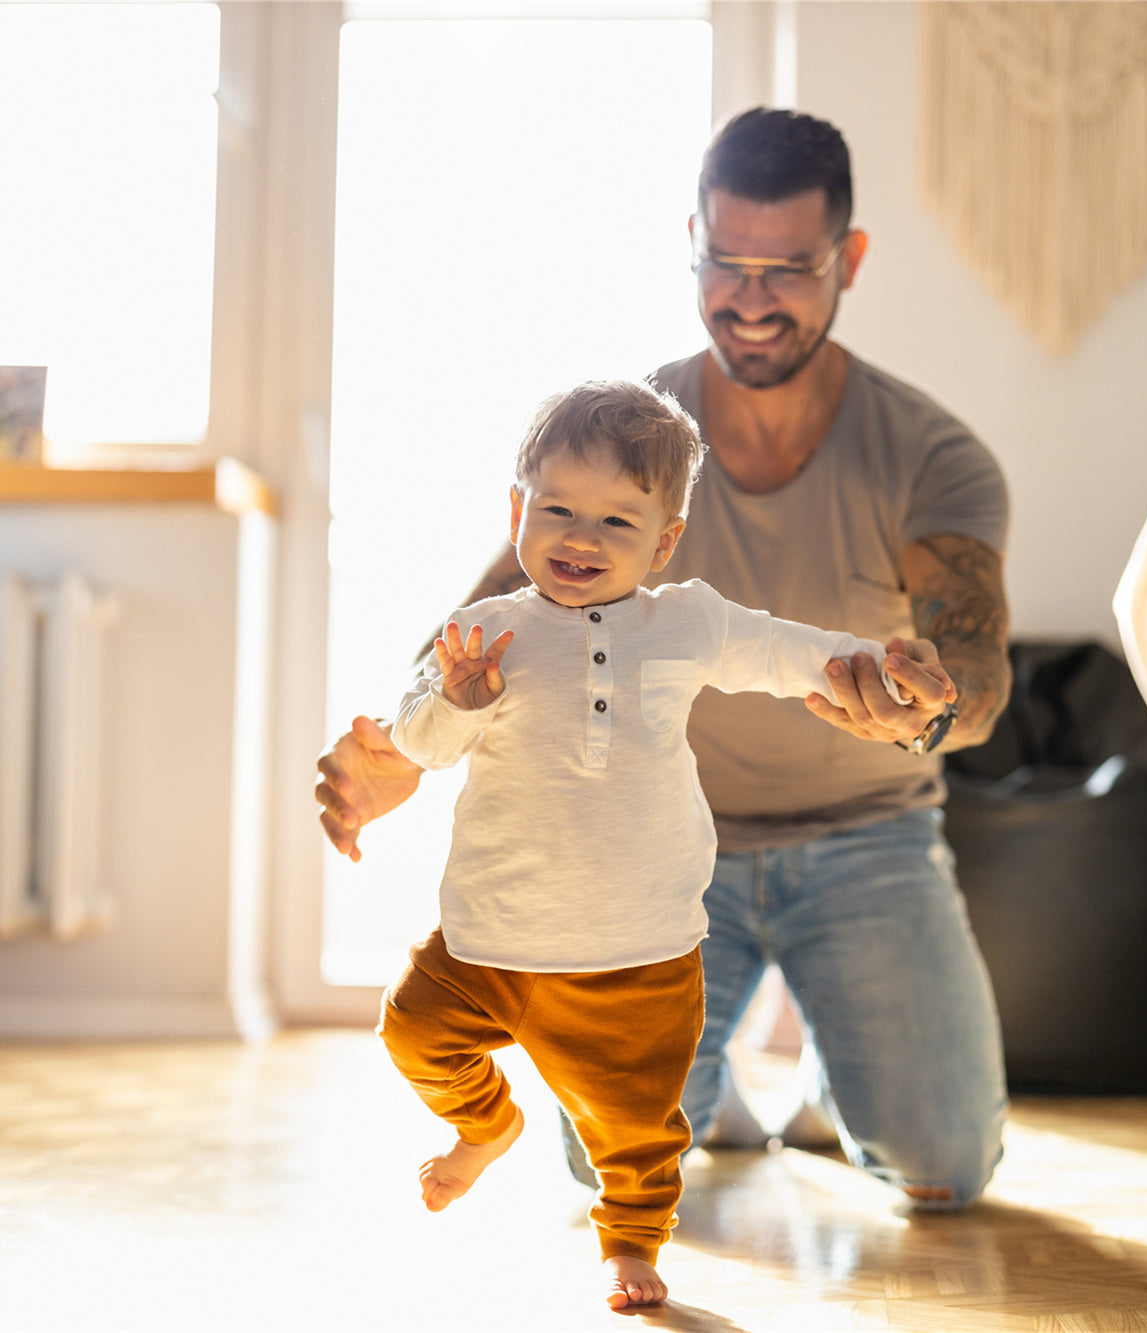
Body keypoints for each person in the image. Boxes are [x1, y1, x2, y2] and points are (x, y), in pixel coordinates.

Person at [318, 106, 1012, 1214]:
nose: (748, 298)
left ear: (850, 259)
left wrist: (925, 709)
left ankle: (842, 1062)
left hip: (868, 840)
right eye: (723, 264)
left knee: (942, 1166)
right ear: (690, 241)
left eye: (786, 268)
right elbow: (481, 622)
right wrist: (404, 742)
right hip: (643, 865)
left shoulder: (930, 455)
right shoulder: (626, 440)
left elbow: (974, 668)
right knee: (604, 1165)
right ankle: (718, 1092)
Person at [378, 377, 948, 1309]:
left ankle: (632, 1245)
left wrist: (877, 663)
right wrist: (455, 703)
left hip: (638, 947)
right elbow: (417, 745)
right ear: (516, 510)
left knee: (638, 1126)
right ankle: (485, 1127)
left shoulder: (684, 621)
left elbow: (785, 650)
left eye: (616, 522)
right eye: (557, 509)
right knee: (412, 1031)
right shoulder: (485, 634)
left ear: (665, 540)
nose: (580, 538)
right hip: (487, 940)